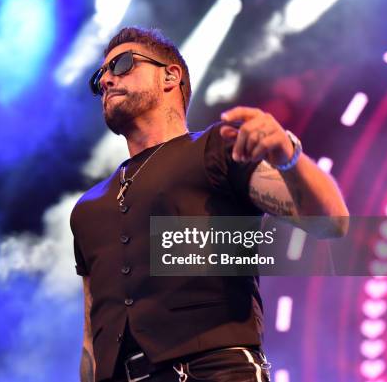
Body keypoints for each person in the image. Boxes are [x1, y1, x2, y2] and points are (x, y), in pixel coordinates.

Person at [70, 27, 349, 382]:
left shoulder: (217, 148)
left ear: (171, 75)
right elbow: (91, 335)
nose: (107, 79)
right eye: (100, 77)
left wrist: (287, 156)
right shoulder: (88, 209)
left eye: (122, 65)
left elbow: (331, 222)